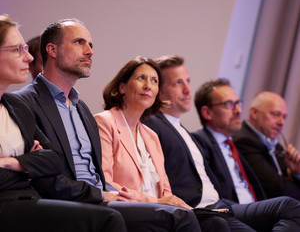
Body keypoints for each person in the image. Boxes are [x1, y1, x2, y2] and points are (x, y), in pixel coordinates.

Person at [15, 19, 201, 232]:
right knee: (179, 218)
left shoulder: (80, 108)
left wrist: (120, 195)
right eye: (79, 42)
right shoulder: (25, 102)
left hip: (101, 198)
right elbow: (44, 178)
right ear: (52, 50)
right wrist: (105, 194)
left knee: (189, 215)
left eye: (91, 45)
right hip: (72, 202)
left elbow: (99, 175)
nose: (90, 52)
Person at [143, 55, 300, 232]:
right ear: (159, 90)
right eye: (178, 83)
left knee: (290, 206)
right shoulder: (152, 124)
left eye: (188, 81)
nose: (188, 89)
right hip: (204, 210)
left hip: (223, 204)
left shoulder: (182, 130)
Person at [0, 14, 127, 232]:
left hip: (29, 200)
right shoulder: (25, 100)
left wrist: (9, 162)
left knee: (179, 216)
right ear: (52, 50)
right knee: (109, 220)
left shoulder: (14, 105)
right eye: (16, 50)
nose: (30, 58)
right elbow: (44, 172)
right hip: (13, 205)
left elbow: (53, 160)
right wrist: (29, 163)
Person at [94, 56, 229, 232]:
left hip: (159, 210)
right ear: (122, 87)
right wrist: (155, 201)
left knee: (215, 223)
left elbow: (165, 189)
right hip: (126, 208)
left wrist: (173, 201)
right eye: (141, 78)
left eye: (154, 81)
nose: (148, 85)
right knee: (183, 219)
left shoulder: (151, 136)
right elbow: (106, 182)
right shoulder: (105, 122)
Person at [233, 91, 300, 199]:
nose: (281, 122)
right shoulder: (244, 141)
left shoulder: (278, 147)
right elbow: (279, 190)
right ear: (254, 113)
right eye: (275, 114)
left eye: (284, 117)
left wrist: (296, 173)